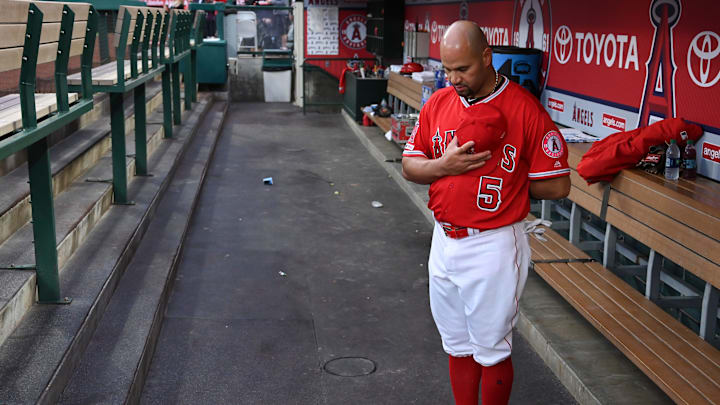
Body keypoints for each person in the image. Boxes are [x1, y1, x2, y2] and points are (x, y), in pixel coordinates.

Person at [401, 21, 570, 405]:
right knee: (457, 344)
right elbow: (411, 167)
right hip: (443, 239)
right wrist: (444, 166)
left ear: (487, 57)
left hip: (492, 243)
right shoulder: (439, 102)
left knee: (491, 348)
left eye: (463, 69)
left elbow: (558, 185)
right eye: (447, 69)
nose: (454, 78)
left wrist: (507, 184)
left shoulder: (524, 109)